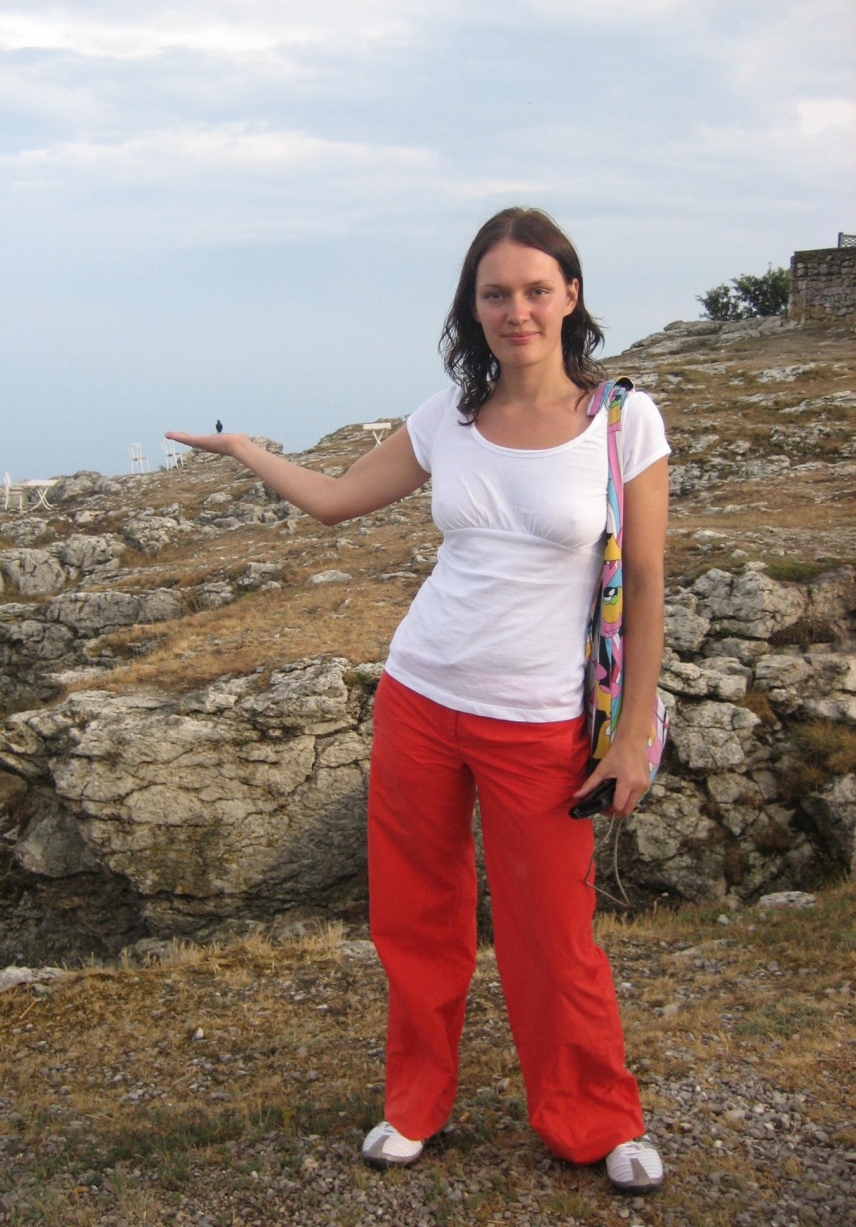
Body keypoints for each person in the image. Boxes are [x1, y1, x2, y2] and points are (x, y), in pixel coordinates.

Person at [167, 207, 670, 1195]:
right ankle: (414, 1104)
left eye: (535, 289)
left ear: (570, 295)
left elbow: (646, 582)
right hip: (421, 696)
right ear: (472, 307)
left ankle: (594, 1118)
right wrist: (247, 451)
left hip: (540, 720)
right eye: (496, 293)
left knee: (551, 934)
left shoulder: (623, 421)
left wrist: (630, 735)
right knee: (416, 920)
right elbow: (334, 500)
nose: (517, 310)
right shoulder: (449, 416)